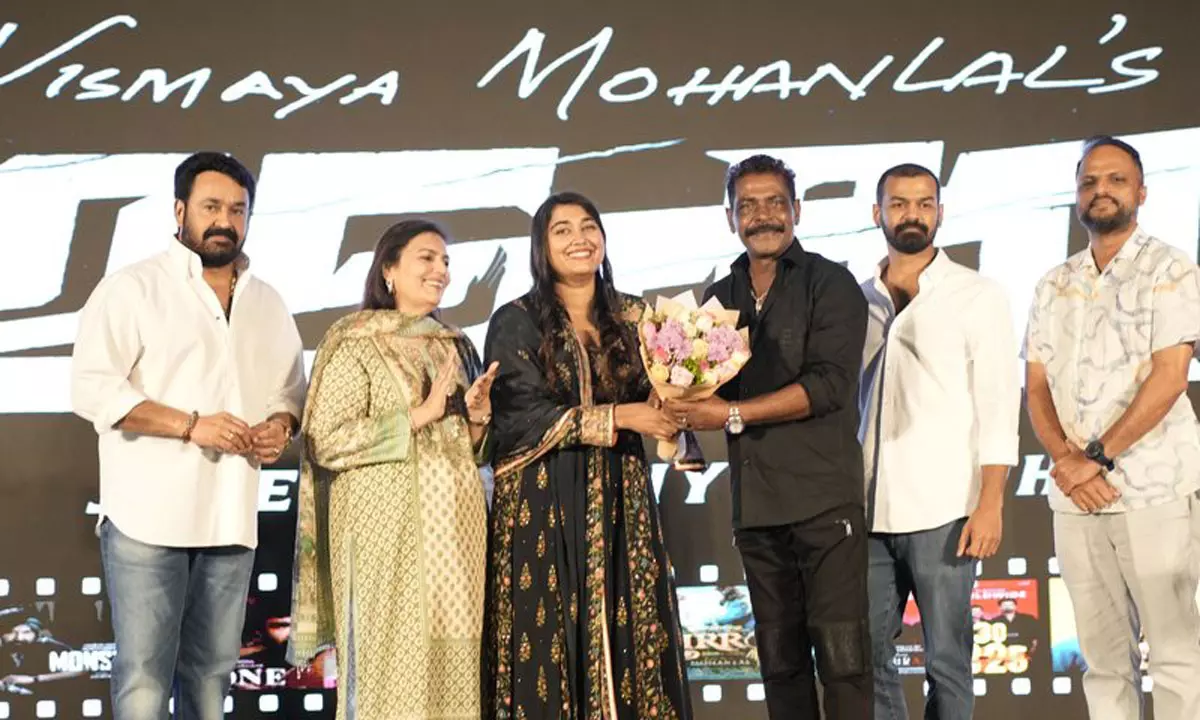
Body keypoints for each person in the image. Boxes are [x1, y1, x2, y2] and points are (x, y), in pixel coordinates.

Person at [70, 151, 306, 719]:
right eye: (211, 207)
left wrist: (280, 427)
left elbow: (290, 392)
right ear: (180, 211)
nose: (225, 220)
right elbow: (93, 389)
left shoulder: (267, 301)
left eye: (237, 209)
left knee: (211, 677)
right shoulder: (133, 288)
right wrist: (192, 426)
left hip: (230, 518)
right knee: (144, 679)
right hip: (148, 517)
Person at [666, 154, 872, 719]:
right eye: (748, 206)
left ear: (796, 210)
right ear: (730, 217)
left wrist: (731, 414)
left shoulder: (831, 283)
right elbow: (694, 387)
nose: (763, 216)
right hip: (757, 512)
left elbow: (829, 387)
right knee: (780, 667)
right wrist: (683, 424)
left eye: (775, 203)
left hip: (825, 507)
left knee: (845, 663)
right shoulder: (717, 298)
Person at [481, 191, 692, 719]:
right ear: (541, 246)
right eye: (562, 230)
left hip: (622, 501)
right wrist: (619, 418)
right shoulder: (516, 321)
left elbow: (664, 395)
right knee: (546, 646)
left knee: (633, 640)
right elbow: (519, 417)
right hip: (542, 503)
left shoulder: (637, 317)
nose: (579, 238)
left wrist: (671, 410)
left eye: (588, 226)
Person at [288, 219, 498, 720]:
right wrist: (417, 416)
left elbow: (476, 453)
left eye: (445, 261)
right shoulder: (355, 340)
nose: (441, 270)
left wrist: (478, 420)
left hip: (457, 540)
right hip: (384, 541)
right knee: (390, 679)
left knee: (456, 675)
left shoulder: (456, 345)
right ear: (388, 269)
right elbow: (325, 440)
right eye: (427, 258)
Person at [1023, 135, 1200, 720]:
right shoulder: (1053, 283)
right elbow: (1036, 386)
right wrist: (1067, 463)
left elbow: (1170, 378)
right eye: (1089, 182)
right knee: (1102, 662)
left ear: (1141, 193)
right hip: (1076, 499)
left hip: (1154, 489)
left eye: (1116, 180)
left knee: (1175, 656)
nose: (1101, 190)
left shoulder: (1172, 268)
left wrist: (1094, 458)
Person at [857, 163, 1020, 719]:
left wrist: (991, 502)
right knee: (866, 658)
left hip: (946, 510)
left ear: (941, 213)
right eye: (899, 204)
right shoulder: (855, 299)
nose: (913, 214)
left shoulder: (977, 295)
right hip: (867, 512)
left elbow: (999, 403)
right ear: (877, 213)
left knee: (947, 661)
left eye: (924, 204)